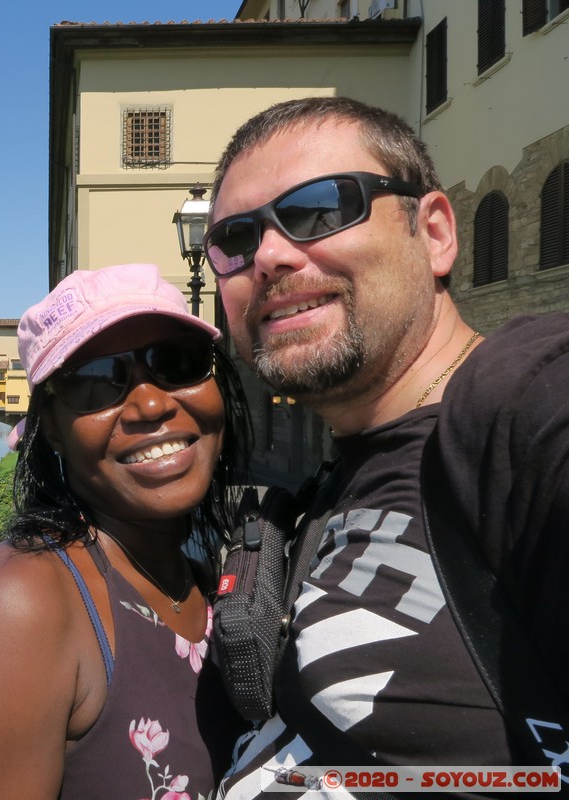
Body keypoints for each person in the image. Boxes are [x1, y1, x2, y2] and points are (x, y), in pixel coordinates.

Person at [204, 96, 569, 796]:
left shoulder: (525, 405)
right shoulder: (342, 471)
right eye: (235, 239)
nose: (271, 256)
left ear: (433, 233)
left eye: (319, 210)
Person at [0, 262, 252, 799]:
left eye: (178, 363)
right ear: (51, 429)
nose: (153, 404)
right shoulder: (21, 604)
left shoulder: (208, 577)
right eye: (97, 381)